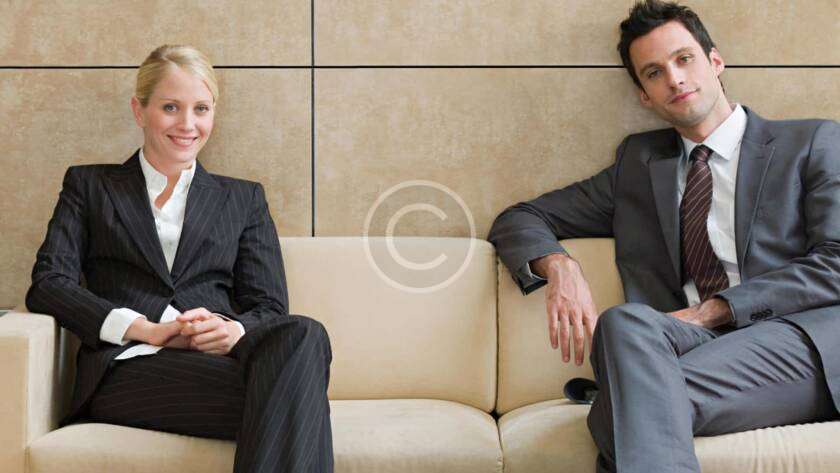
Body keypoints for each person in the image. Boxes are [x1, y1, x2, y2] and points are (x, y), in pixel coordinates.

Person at [487, 1, 840, 472]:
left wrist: (711, 311)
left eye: (684, 59)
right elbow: (519, 218)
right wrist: (560, 267)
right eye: (654, 72)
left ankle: (624, 401)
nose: (674, 79)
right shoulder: (638, 165)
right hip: (686, 348)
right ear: (644, 96)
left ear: (715, 61)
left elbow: (837, 262)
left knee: (622, 408)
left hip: (797, 343)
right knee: (623, 323)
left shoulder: (812, 143)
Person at [26, 44, 333, 473]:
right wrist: (146, 329)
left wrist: (231, 330)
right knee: (296, 394)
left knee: (305, 334)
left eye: (201, 109)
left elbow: (269, 306)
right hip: (131, 367)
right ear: (139, 110)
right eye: (171, 107)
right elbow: (49, 284)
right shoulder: (90, 186)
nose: (188, 124)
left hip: (220, 362)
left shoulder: (243, 198)